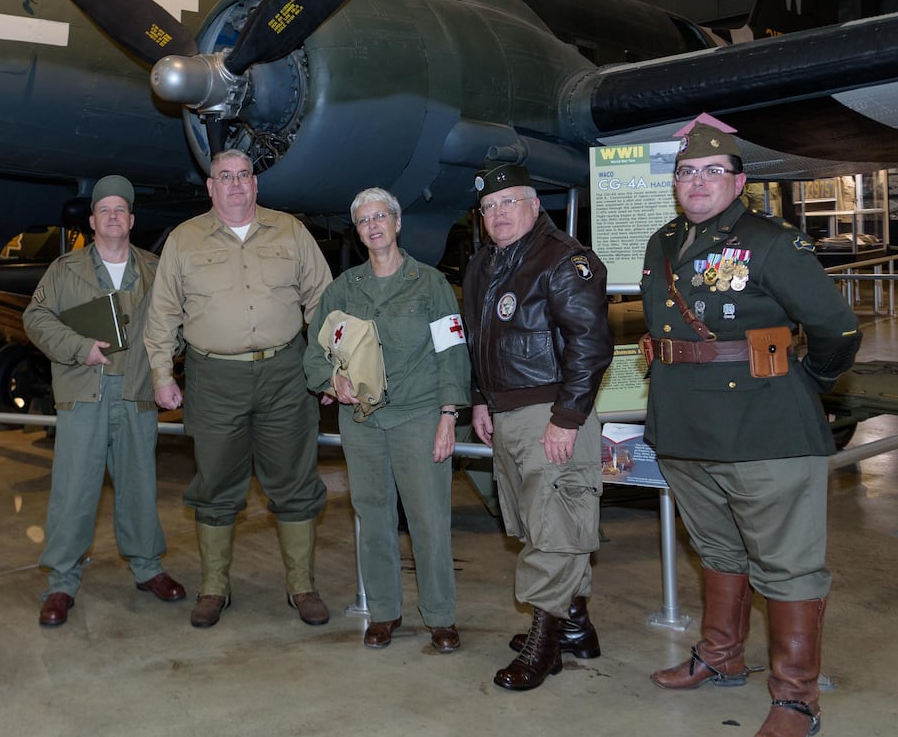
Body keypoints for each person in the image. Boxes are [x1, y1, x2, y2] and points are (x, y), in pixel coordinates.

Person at [641, 120, 861, 737]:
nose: (697, 182)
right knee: (717, 550)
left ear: (739, 181)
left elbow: (837, 330)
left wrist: (800, 381)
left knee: (788, 565)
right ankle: (722, 658)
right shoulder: (663, 242)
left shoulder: (770, 242)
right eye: (687, 172)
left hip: (765, 430)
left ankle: (796, 696)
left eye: (712, 172)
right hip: (685, 429)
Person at [144, 149, 333, 629]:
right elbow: (163, 313)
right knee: (215, 485)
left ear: (255, 184)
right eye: (224, 177)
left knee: (294, 480)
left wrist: (331, 369)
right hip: (213, 379)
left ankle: (302, 586)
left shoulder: (291, 231)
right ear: (211, 187)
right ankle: (214, 588)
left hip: (285, 375)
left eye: (243, 175)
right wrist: (163, 376)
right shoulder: (185, 240)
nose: (235, 185)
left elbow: (323, 303)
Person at [462, 162, 612, 692]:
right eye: (488, 208)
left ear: (532, 206)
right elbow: (479, 340)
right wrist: (481, 399)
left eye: (508, 203)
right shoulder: (486, 264)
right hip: (507, 413)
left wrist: (568, 419)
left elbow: (590, 346)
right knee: (537, 523)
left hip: (551, 412)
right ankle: (576, 628)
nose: (498, 215)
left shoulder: (564, 260)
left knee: (552, 531)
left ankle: (544, 645)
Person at [303, 188, 469, 652]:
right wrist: (331, 383)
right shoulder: (342, 289)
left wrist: (448, 415)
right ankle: (383, 613)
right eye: (362, 221)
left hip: (417, 416)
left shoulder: (430, 284)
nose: (373, 226)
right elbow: (315, 352)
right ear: (357, 233)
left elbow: (453, 353)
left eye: (381, 217)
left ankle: (440, 616)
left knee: (429, 520)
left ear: (397, 224)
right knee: (372, 519)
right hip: (363, 423)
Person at [21, 176, 186, 627]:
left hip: (136, 393)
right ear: (92, 221)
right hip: (84, 391)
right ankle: (61, 582)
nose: (113, 217)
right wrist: (80, 347)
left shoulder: (155, 269)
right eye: (104, 210)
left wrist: (165, 369)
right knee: (74, 489)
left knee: (139, 485)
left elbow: (176, 325)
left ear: (131, 220)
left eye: (121, 210)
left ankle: (148, 567)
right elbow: (34, 318)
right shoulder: (63, 270)